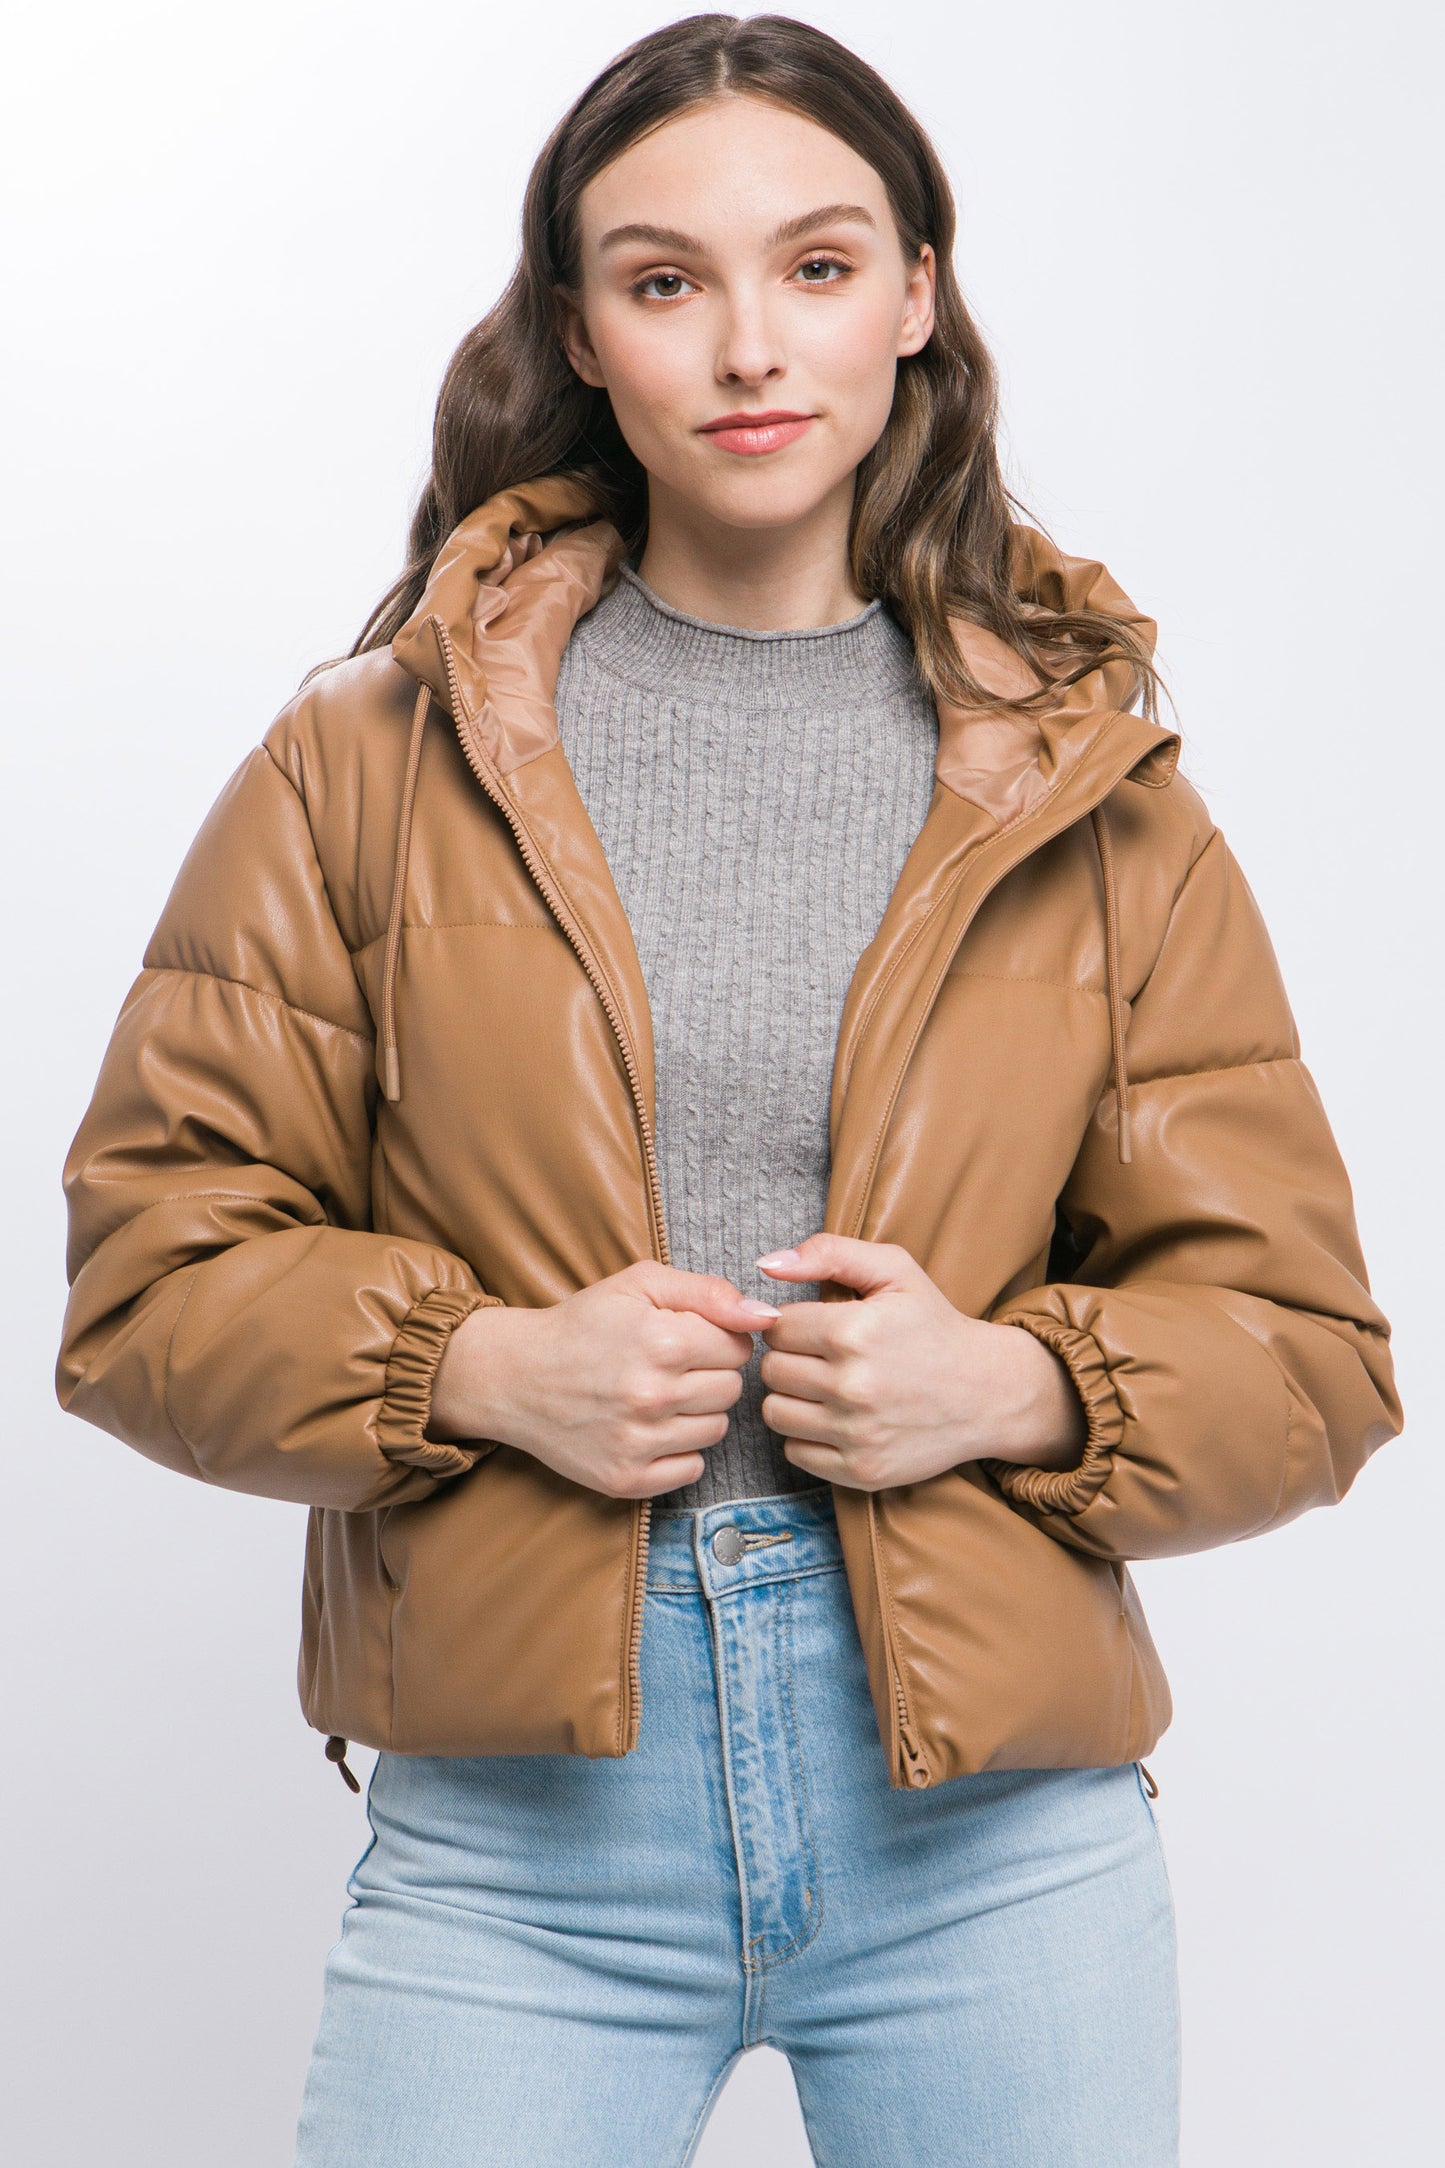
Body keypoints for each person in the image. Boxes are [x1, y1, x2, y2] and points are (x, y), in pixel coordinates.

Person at [54, 14, 1402, 2166]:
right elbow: (148, 1276)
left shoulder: (1103, 799)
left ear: (918, 295)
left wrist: (1014, 1385)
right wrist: (481, 1366)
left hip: (996, 1847)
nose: (751, 346)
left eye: (821, 265)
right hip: (524, 1850)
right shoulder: (364, 762)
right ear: (582, 331)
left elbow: (1311, 1356)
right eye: (666, 279)